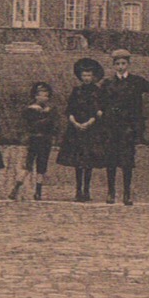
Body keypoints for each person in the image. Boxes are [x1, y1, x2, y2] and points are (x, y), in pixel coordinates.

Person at [97, 48, 149, 206]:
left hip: (129, 126)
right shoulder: (108, 83)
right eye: (118, 64)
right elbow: (100, 102)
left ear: (128, 64)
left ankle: (127, 194)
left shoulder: (136, 81)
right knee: (111, 160)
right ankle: (111, 193)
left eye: (123, 63)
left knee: (127, 160)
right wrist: (101, 114)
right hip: (111, 126)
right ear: (114, 66)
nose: (121, 67)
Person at [57, 58, 105, 202]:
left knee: (88, 161)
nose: (86, 78)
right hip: (76, 129)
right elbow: (69, 110)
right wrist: (75, 123)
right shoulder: (76, 91)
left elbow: (98, 110)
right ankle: (78, 190)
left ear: (93, 76)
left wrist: (89, 122)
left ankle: (86, 189)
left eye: (89, 75)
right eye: (84, 75)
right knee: (77, 161)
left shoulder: (97, 91)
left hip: (91, 129)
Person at [9, 82, 57, 201]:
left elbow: (54, 126)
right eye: (40, 95)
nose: (43, 98)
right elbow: (28, 126)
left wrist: (53, 136)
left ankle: (38, 191)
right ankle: (16, 187)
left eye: (46, 96)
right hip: (34, 140)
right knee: (28, 165)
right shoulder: (30, 110)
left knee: (42, 166)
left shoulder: (50, 110)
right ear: (35, 96)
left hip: (45, 140)